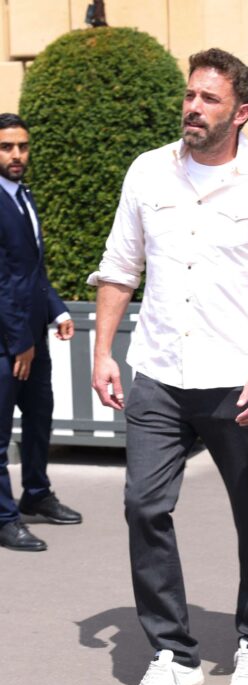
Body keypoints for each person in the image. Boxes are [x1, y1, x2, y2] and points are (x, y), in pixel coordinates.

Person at [88, 48, 248, 685]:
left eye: (209, 99)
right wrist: (102, 352)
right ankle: (172, 653)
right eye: (190, 95)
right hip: (157, 370)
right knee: (143, 506)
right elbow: (120, 266)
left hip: (234, 376)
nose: (192, 107)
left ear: (241, 111)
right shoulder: (148, 172)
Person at [0, 113, 82, 552]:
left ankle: (36, 494)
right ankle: (4, 517)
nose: (16, 154)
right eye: (7, 147)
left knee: (38, 421)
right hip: (9, 343)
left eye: (22, 146)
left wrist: (56, 310)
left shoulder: (22, 195)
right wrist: (21, 343)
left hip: (31, 336)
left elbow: (30, 270)